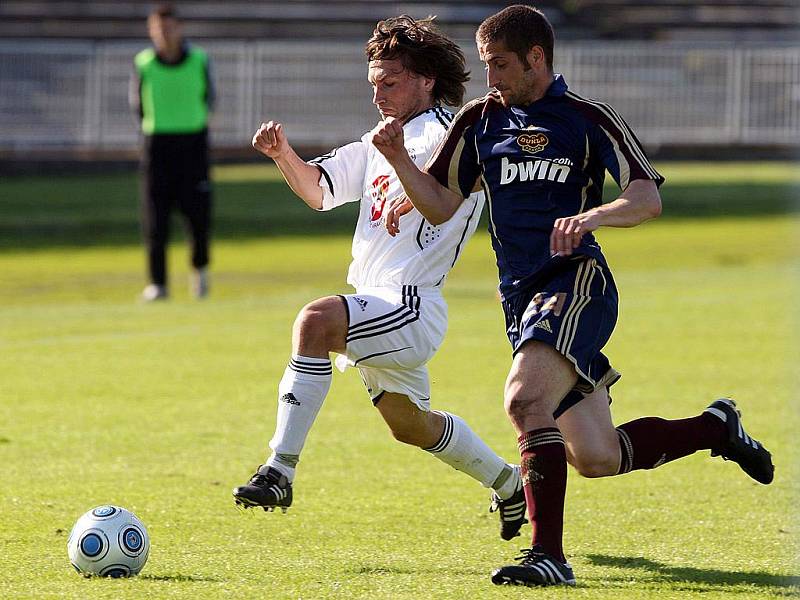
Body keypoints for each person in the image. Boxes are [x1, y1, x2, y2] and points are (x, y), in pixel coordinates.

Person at [373, 4, 774, 587]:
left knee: (523, 402)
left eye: (501, 64)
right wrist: (397, 158)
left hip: (576, 283)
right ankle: (717, 427)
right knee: (597, 456)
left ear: (537, 58)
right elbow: (441, 203)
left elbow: (647, 198)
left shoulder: (587, 118)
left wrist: (593, 217)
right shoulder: (479, 121)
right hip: (520, 300)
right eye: (487, 65)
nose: (492, 79)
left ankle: (548, 558)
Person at [232, 15, 528, 542]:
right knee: (409, 425)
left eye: (389, 82)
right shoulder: (381, 139)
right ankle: (510, 485)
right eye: (374, 84)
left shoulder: (451, 134)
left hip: (412, 304)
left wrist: (396, 155)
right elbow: (321, 191)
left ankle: (279, 470)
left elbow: (442, 206)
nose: (379, 95)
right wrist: (283, 156)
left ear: (425, 80)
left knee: (315, 320)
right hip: (377, 303)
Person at [130, 3, 214, 301]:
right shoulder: (144, 63)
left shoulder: (199, 59)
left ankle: (200, 275)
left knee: (198, 216)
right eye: (157, 28)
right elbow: (138, 105)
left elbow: (209, 99)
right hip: (158, 147)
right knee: (156, 219)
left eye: (168, 27)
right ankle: (158, 283)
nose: (163, 34)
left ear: (179, 28)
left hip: (192, 145)